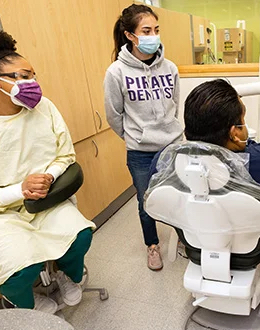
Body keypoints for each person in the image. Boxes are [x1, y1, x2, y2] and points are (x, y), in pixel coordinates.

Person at [0, 24, 95, 314]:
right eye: (22, 77)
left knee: (80, 236)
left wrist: (49, 175)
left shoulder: (44, 108)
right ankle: (26, 304)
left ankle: (69, 275)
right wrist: (18, 190)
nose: (32, 83)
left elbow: (65, 154)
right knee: (18, 269)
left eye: (32, 75)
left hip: (44, 202)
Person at [104, 4, 183, 271]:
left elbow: (175, 103)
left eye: (156, 30)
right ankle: (152, 246)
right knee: (146, 201)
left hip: (172, 145)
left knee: (179, 195)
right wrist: (134, 137)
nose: (153, 35)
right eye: (146, 30)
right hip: (140, 151)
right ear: (130, 35)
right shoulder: (116, 72)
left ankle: (184, 238)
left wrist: (170, 130)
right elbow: (114, 114)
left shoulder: (170, 67)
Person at [150, 79, 260, 207]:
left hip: (194, 234)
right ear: (234, 134)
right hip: (253, 236)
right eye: (243, 120)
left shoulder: (163, 161)